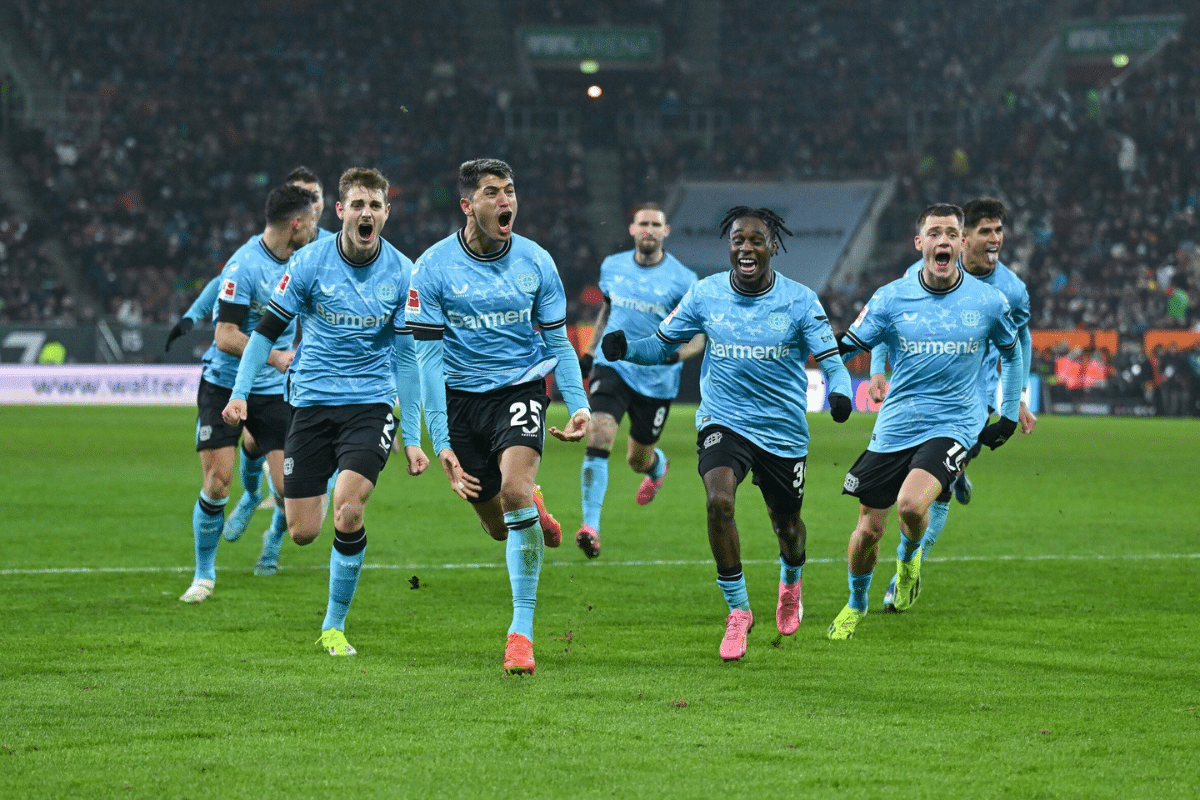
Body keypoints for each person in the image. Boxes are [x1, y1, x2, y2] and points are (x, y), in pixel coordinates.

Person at [600, 206, 853, 661]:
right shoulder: (706, 293)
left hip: (781, 430)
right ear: (729, 246)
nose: (746, 247)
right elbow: (662, 343)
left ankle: (791, 582)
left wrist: (839, 394)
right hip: (724, 420)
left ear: (773, 247)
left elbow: (830, 359)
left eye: (756, 240)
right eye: (738, 240)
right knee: (719, 502)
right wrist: (628, 350)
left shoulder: (799, 300)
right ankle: (738, 612)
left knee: (786, 525)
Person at [222, 167, 429, 656]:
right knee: (303, 532)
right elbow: (267, 332)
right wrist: (241, 392)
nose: (366, 213)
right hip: (311, 403)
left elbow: (406, 359)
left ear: (385, 213)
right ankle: (279, 480)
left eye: (375, 206)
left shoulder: (403, 272)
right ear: (340, 211)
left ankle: (334, 626)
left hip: (370, 403)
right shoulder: (310, 261)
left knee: (350, 510)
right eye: (357, 204)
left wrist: (414, 436)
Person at [406, 158, 590, 675]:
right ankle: (536, 509)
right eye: (491, 192)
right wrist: (440, 439)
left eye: (509, 191)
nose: (505, 201)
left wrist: (578, 404)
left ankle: (521, 634)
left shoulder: (537, 261)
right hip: (461, 402)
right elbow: (427, 361)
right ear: (467, 206)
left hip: (520, 389)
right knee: (498, 526)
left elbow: (558, 340)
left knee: (512, 493)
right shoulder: (433, 268)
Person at [829, 203, 1023, 640]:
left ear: (960, 243)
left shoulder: (988, 301)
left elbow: (1013, 354)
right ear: (920, 243)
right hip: (896, 423)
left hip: (956, 422)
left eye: (951, 233)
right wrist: (840, 381)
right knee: (866, 532)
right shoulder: (891, 296)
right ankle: (856, 602)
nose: (943, 240)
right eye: (934, 232)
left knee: (912, 506)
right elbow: (850, 343)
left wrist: (1008, 415)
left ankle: (910, 555)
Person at [167, 167, 336, 574]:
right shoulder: (245, 266)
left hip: (275, 390)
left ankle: (266, 527)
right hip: (225, 383)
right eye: (311, 222)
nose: (317, 228)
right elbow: (225, 335)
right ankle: (204, 574)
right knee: (216, 483)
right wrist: (275, 356)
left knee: (287, 488)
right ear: (296, 222)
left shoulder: (310, 255)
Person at [574, 203, 705, 559]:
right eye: (643, 223)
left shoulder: (684, 279)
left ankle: (656, 466)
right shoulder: (612, 266)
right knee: (599, 434)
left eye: (655, 224)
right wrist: (588, 354)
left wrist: (674, 355)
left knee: (636, 458)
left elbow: (699, 335)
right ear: (632, 229)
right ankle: (590, 526)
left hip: (657, 379)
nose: (649, 229)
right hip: (613, 365)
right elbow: (607, 310)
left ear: (666, 232)